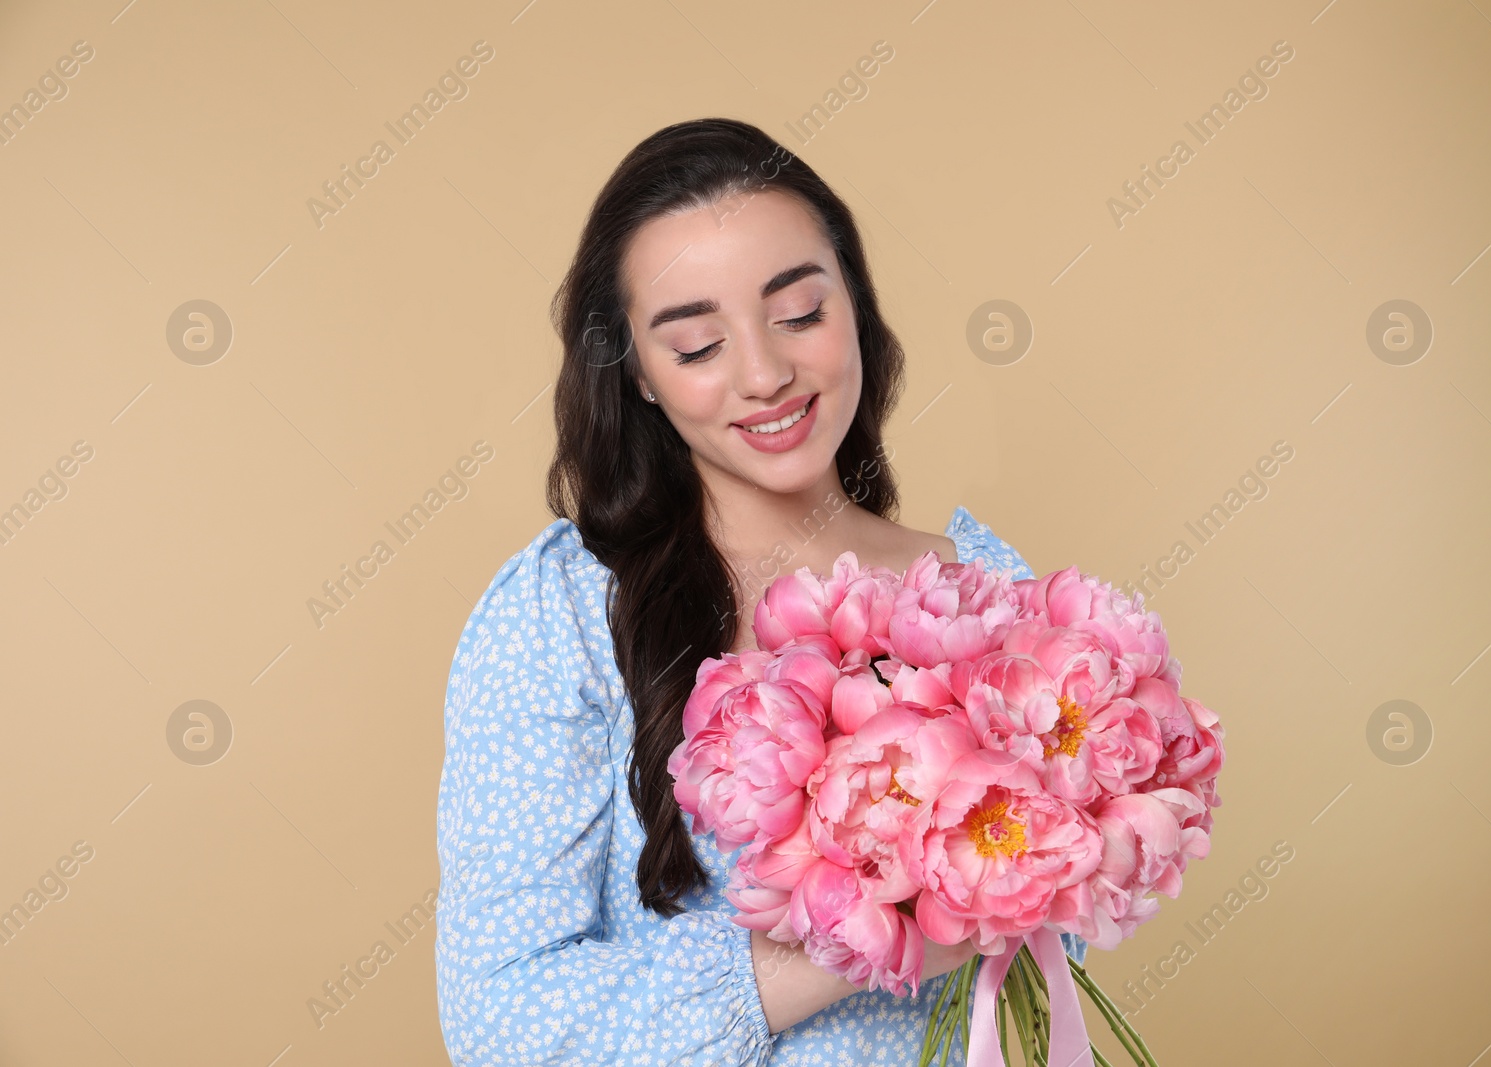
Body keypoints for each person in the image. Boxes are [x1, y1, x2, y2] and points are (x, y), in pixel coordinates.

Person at [434, 116, 1087, 1066]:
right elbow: (503, 1022)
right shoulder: (565, 611)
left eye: (799, 313)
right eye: (697, 345)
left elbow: (1038, 953)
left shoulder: (985, 593)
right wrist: (878, 927)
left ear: (855, 306)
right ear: (644, 379)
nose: (766, 373)